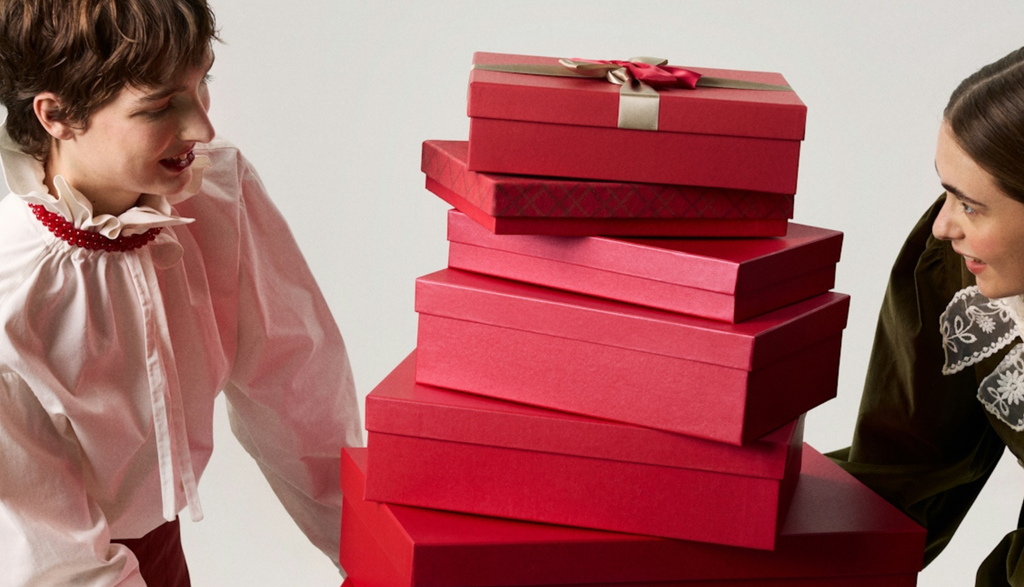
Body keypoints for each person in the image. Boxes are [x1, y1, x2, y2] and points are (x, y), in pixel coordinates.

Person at [0, 0, 361, 584]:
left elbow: (301, 397)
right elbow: (55, 561)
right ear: (56, 114)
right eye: (160, 105)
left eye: (202, 82)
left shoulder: (218, 195)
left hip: (157, 558)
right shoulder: (11, 300)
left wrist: (378, 556)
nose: (202, 128)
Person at [831, 46, 1024, 586]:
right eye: (946, 192)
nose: (943, 226)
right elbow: (905, 476)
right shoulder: (963, 273)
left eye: (970, 205)